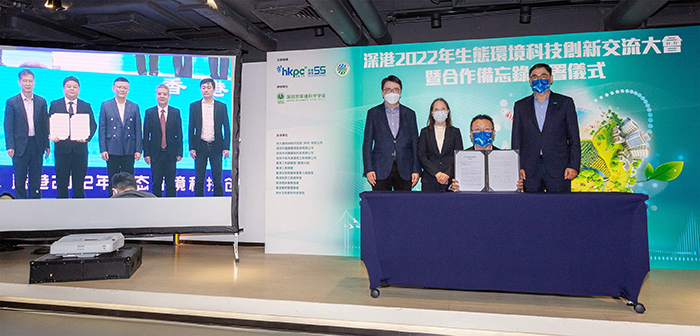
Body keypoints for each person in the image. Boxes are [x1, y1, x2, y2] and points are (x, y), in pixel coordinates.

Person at [511, 63, 581, 193]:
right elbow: (516, 139)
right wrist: (517, 167)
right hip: (529, 169)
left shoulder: (565, 103)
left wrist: (573, 165)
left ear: (551, 78)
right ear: (530, 81)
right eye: (535, 77)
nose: (539, 80)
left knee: (560, 208)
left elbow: (574, 138)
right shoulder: (520, 106)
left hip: (560, 168)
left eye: (543, 76)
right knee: (531, 209)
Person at [362, 75, 420, 191]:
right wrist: (368, 169)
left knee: (404, 206)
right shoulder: (373, 113)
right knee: (381, 206)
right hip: (380, 169)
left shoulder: (410, 114)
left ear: (400, 92)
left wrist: (416, 169)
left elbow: (415, 143)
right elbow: (367, 143)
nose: (392, 92)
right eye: (388, 89)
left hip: (405, 168)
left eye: (395, 90)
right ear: (383, 93)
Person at [4, 69, 49, 199]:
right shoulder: (12, 102)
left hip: (37, 144)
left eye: (30, 81)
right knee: (20, 179)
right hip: (19, 146)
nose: (28, 84)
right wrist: (10, 145)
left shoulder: (41, 101)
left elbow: (44, 125)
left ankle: (35, 207)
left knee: (36, 179)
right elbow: (8, 125)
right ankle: (20, 208)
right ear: (20, 82)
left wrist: (47, 145)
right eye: (25, 81)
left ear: (34, 82)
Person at [49, 76, 97, 198]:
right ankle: (61, 212)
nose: (72, 89)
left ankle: (79, 213)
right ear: (63, 88)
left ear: (79, 89)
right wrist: (52, 135)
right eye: (69, 86)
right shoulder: (55, 104)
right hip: (62, 151)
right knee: (61, 184)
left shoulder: (86, 105)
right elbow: (48, 123)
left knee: (79, 185)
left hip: (80, 151)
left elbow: (93, 125)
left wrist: (86, 138)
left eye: (75, 87)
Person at [450, 114, 522, 191]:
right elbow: (451, 181)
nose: (482, 133)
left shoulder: (506, 157)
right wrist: (453, 186)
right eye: (477, 129)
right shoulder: (460, 157)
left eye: (486, 129)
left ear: (493, 133)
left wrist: (517, 186)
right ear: (471, 134)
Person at [99, 77, 143, 196]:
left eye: (125, 88)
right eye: (119, 87)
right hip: (112, 147)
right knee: (112, 178)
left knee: (129, 179)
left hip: (129, 148)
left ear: (128, 90)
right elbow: (102, 128)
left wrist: (138, 149)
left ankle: (129, 200)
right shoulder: (106, 105)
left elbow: (138, 129)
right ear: (114, 88)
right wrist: (103, 149)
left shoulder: (134, 106)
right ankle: (112, 201)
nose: (122, 90)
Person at [189, 78, 230, 197]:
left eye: (208, 87)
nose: (206, 90)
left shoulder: (221, 106)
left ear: (214, 89)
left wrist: (226, 147)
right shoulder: (194, 106)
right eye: (203, 88)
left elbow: (226, 128)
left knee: (217, 179)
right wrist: (192, 147)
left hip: (216, 147)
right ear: (200, 90)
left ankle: (219, 204)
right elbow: (191, 128)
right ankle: (198, 204)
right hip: (200, 146)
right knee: (199, 180)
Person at [144, 84, 183, 197]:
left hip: (171, 153)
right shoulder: (149, 112)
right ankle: (156, 208)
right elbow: (146, 135)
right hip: (155, 154)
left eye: (164, 94)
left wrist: (179, 152)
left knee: (170, 183)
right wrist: (146, 153)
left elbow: (179, 133)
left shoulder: (175, 112)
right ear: (156, 95)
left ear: (169, 96)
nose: (162, 96)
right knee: (156, 183)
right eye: (159, 94)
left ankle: (171, 208)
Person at [417, 98, 463, 192]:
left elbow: (458, 155)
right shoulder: (425, 132)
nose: (440, 112)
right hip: (429, 179)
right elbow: (421, 155)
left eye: (443, 109)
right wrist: (437, 174)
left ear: (448, 111)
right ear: (432, 113)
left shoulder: (455, 132)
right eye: (436, 109)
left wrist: (447, 174)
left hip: (450, 181)